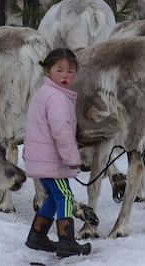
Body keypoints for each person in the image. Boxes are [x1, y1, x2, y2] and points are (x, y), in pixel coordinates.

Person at [23, 48, 91, 257]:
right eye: (59, 70)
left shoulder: (45, 94)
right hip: (52, 162)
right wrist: (71, 158)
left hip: (42, 160)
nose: (65, 75)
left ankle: (37, 235)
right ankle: (67, 241)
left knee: (54, 196)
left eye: (70, 71)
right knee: (65, 196)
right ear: (47, 71)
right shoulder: (57, 98)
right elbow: (61, 131)